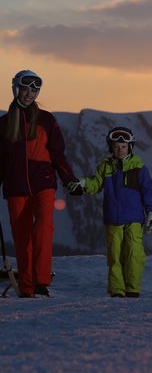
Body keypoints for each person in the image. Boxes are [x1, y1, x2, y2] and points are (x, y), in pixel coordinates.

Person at [0, 69, 79, 298]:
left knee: (44, 228)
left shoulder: (46, 119)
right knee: (22, 236)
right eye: (25, 88)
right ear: (16, 89)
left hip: (43, 182)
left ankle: (41, 282)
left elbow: (58, 154)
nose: (30, 93)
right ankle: (26, 288)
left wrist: (70, 181)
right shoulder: (4, 124)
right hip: (15, 186)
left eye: (34, 90)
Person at [68, 127, 152, 298]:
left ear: (130, 147)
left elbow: (147, 190)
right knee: (115, 255)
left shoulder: (138, 166)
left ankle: (132, 289)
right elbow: (96, 184)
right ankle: (117, 290)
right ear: (110, 147)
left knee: (133, 254)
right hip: (113, 219)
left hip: (134, 218)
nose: (120, 150)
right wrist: (84, 183)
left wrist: (151, 211)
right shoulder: (105, 167)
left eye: (123, 147)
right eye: (116, 147)